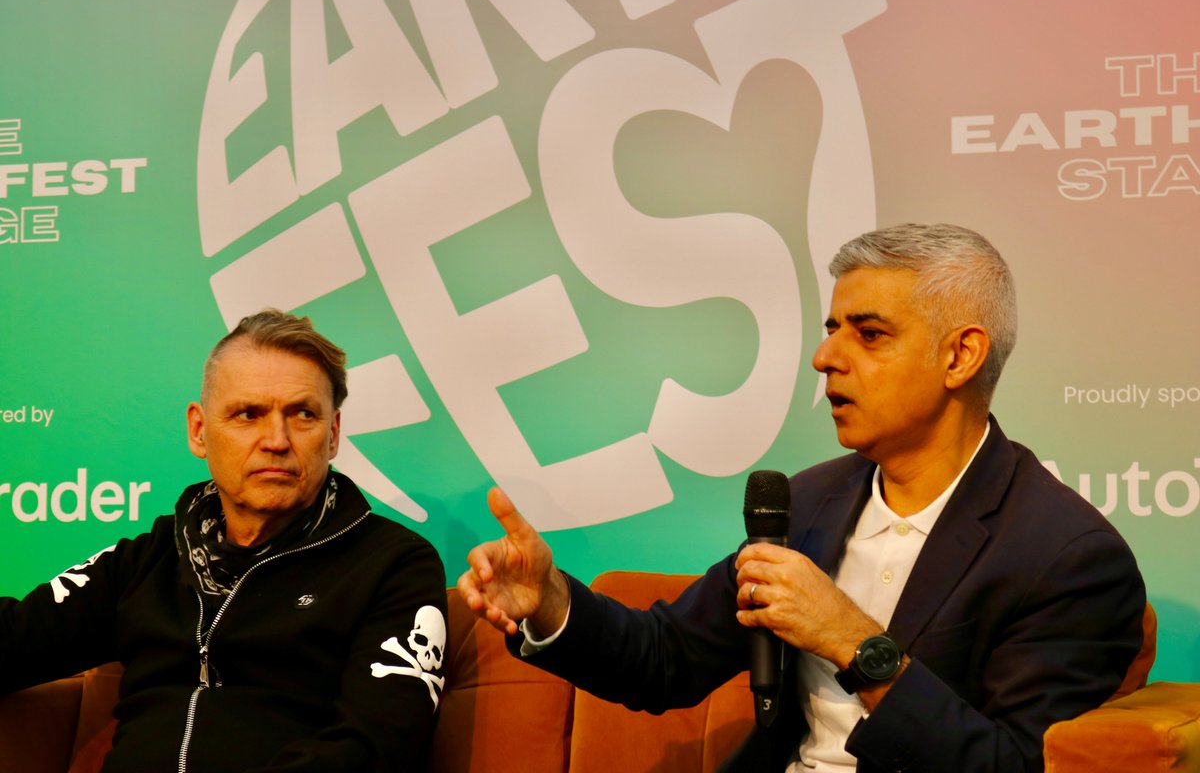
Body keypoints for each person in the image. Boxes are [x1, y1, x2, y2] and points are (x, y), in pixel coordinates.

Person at [458, 223, 1146, 772]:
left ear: (960, 357)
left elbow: (1013, 766)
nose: (825, 359)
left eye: (869, 334)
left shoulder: (1065, 556)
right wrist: (550, 602)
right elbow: (665, 659)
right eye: (830, 330)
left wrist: (855, 643)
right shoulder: (811, 502)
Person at [0, 309, 447, 772]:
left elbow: (374, 745)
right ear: (199, 430)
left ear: (332, 434)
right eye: (248, 414)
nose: (276, 439)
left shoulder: (392, 563)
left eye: (302, 414)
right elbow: (13, 640)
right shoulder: (148, 559)